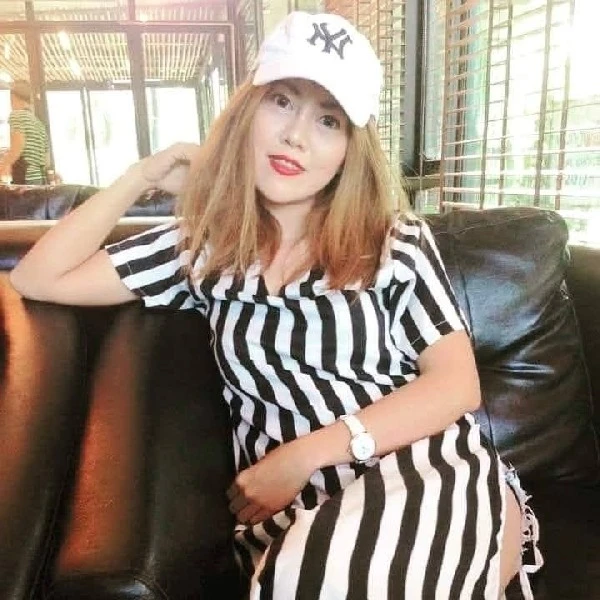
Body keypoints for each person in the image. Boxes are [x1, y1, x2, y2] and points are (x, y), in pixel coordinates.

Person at [9, 11, 543, 599]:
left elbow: (456, 385)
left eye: (328, 120)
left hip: (419, 469)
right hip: (297, 517)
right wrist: (141, 176)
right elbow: (37, 277)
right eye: (281, 101)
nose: (296, 136)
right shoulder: (202, 247)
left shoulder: (394, 241)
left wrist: (303, 456)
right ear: (246, 112)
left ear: (349, 150)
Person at [0, 80, 52, 185]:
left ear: (14, 97)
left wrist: (3, 165)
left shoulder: (16, 115)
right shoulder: (39, 124)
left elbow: (18, 146)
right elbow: (47, 160)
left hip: (25, 177)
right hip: (40, 179)